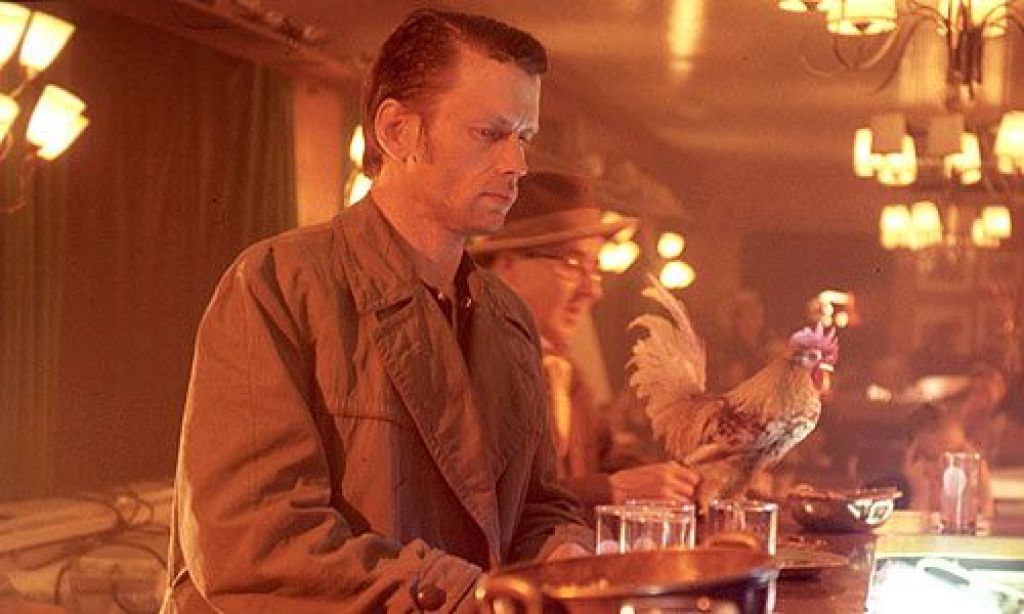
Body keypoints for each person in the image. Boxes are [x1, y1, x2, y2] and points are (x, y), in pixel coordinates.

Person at [162, 10, 593, 613]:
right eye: (489, 134)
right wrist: (473, 595)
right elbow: (257, 542)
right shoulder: (277, 286)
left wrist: (566, 553)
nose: (517, 165)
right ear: (397, 131)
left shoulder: (509, 320)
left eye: (522, 138)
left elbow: (539, 506)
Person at [470, 171, 701, 510]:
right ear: (507, 267)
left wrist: (684, 479)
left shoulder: (564, 373)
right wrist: (610, 491)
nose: (593, 290)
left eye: (595, 268)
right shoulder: (469, 367)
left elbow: (605, 458)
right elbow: (486, 504)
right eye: (572, 263)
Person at [900, 403, 994, 517]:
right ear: (912, 458)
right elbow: (915, 527)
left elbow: (985, 522)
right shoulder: (898, 493)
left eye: (954, 453)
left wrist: (983, 492)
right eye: (932, 458)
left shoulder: (967, 477)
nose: (945, 468)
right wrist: (920, 495)